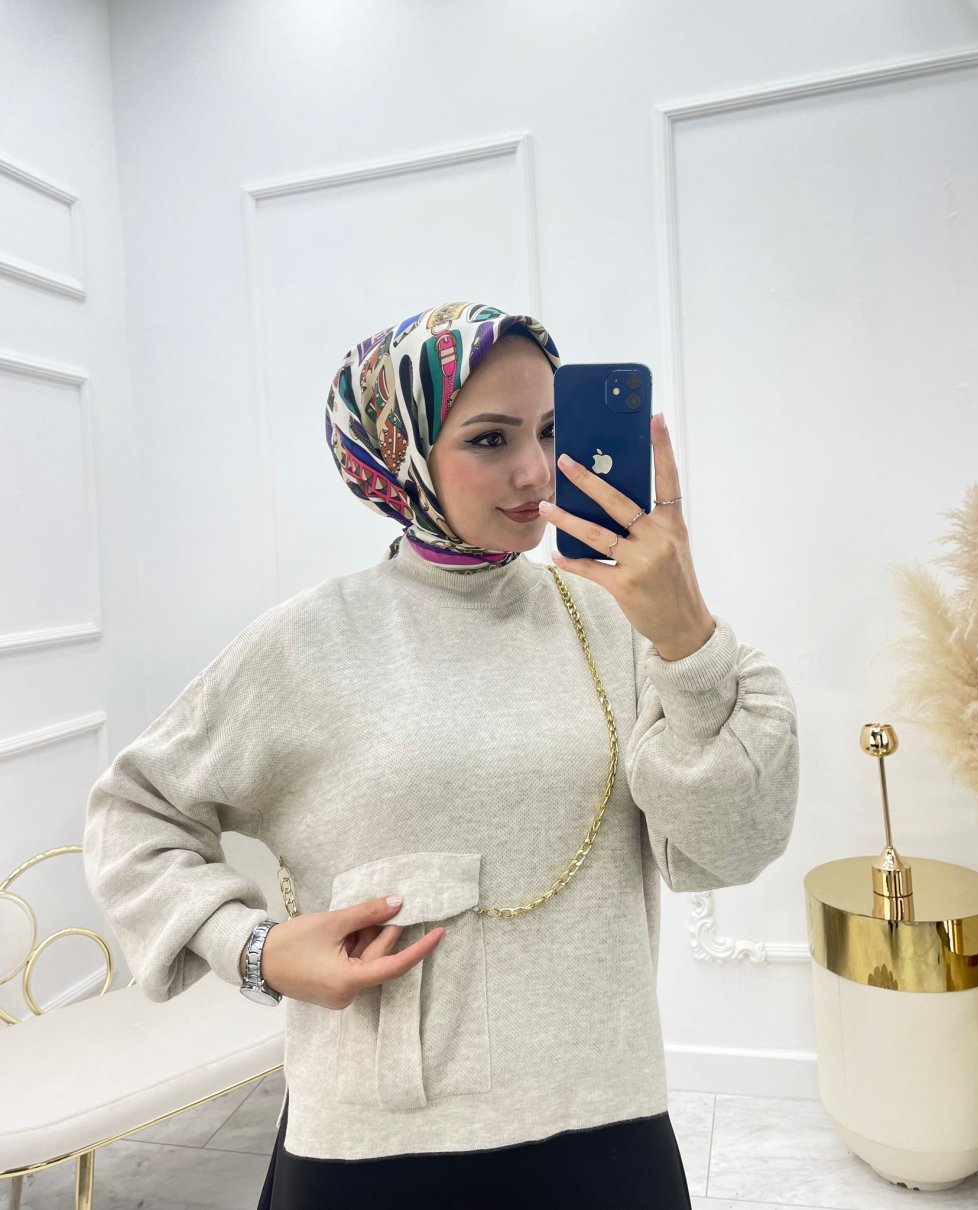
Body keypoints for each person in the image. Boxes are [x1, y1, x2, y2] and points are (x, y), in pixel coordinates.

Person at [83, 300, 799, 1209]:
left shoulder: (621, 623)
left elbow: (731, 846)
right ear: (403, 455)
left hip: (601, 1115)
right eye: (491, 439)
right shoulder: (310, 640)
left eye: (550, 431)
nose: (536, 470)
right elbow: (134, 813)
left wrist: (687, 638)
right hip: (378, 1137)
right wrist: (254, 949)